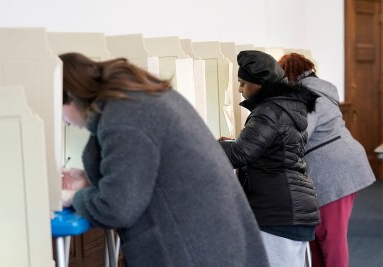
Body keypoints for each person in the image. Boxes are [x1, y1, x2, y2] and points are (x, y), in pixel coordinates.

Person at [59, 52, 270, 267]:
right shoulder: (139, 96)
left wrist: (74, 196)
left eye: (61, 114)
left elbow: (116, 208)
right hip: (214, 240)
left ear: (71, 95)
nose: (66, 123)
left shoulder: (124, 116)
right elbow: (149, 171)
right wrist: (89, 180)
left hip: (192, 249)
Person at [218, 50, 320, 267]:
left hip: (278, 212)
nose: (239, 89)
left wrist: (205, 144)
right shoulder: (285, 107)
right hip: (293, 209)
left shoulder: (268, 111)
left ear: (260, 84)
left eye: (243, 83)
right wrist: (235, 142)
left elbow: (241, 154)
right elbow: (272, 148)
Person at [278, 52, 376, 267]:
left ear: (289, 75)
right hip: (340, 166)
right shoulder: (321, 90)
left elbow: (300, 135)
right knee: (318, 234)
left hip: (335, 172)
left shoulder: (307, 96)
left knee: (330, 236)